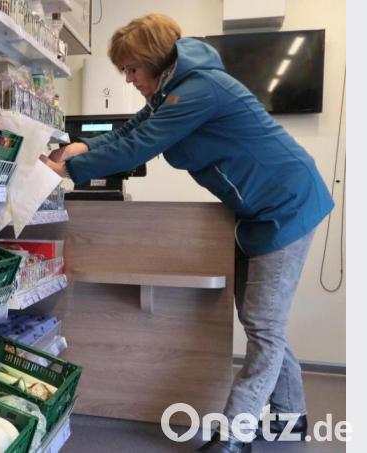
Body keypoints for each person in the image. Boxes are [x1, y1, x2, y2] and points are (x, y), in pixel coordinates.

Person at [41, 13, 334, 453]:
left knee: (263, 323)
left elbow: (140, 146)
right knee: (261, 321)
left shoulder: (200, 90)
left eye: (132, 69)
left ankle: (234, 436)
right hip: (255, 210)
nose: (128, 79)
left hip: (287, 203)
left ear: (154, 60)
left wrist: (73, 167)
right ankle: (291, 416)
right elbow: (129, 131)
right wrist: (83, 148)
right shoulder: (170, 91)